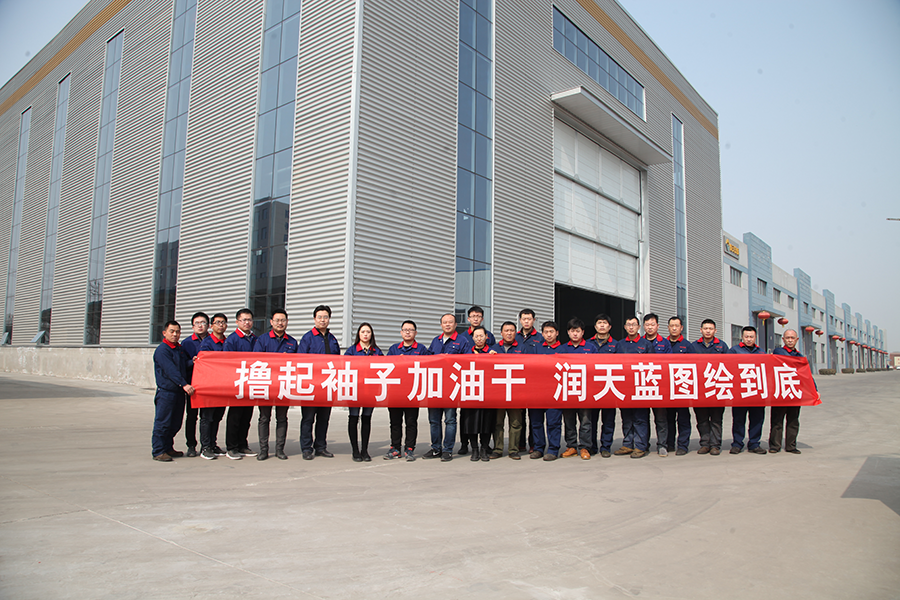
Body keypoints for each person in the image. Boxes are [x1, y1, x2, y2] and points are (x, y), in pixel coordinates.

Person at [297, 305, 340, 460]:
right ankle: (306, 448)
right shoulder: (307, 338)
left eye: (326, 317)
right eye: (320, 317)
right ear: (314, 319)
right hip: (311, 386)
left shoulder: (332, 339)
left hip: (327, 386)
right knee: (308, 419)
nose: (323, 320)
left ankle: (320, 447)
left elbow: (338, 362)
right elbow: (300, 361)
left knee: (323, 419)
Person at [254, 309, 297, 461]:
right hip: (265, 384)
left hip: (283, 385)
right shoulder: (262, 340)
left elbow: (297, 364)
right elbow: (256, 361)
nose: (280, 323)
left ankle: (280, 450)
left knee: (282, 418)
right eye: (277, 320)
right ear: (271, 322)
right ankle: (263, 450)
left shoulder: (292, 342)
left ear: (287, 322)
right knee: (264, 418)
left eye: (283, 320)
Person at [426, 313, 470, 460]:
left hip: (451, 387)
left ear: (455, 324)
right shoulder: (436, 341)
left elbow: (468, 362)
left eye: (450, 322)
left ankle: (447, 449)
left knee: (450, 419)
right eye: (445, 322)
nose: (447, 324)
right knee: (434, 420)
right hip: (435, 386)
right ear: (441, 325)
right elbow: (428, 360)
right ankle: (435, 448)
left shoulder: (462, 341)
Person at [386, 320, 429, 461]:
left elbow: (428, 366)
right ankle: (395, 448)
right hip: (395, 392)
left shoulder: (421, 349)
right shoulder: (394, 349)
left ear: (416, 333)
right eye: (405, 330)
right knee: (395, 422)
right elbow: (386, 367)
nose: (408, 332)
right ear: (401, 332)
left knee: (411, 422)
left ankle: (410, 448)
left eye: (411, 330)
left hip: (412, 391)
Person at [151, 321, 194, 461]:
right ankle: (158, 451)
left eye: (177, 332)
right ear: (164, 333)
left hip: (178, 393)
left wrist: (194, 361)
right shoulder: (162, 350)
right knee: (163, 422)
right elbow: (171, 370)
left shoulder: (178, 349)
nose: (175, 334)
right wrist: (184, 384)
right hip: (166, 393)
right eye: (172, 331)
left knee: (175, 423)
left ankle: (168, 448)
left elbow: (183, 366)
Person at [615, 316, 654, 459]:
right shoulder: (619, 345)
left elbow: (653, 366)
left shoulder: (646, 344)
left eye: (634, 324)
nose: (631, 327)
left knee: (640, 418)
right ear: (625, 327)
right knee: (627, 418)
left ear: (639, 327)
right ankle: (627, 444)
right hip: (624, 387)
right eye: (628, 325)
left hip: (640, 387)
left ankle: (640, 446)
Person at [344, 322, 383, 462]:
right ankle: (355, 450)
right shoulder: (351, 351)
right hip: (354, 389)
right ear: (358, 334)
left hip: (370, 390)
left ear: (372, 334)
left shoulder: (377, 352)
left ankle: (365, 450)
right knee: (353, 418)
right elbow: (344, 367)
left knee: (366, 418)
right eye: (363, 332)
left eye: (368, 332)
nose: (365, 334)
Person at [223, 308, 258, 460]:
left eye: (249, 320)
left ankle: (243, 444)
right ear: (237, 322)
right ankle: (232, 447)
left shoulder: (255, 339)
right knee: (235, 417)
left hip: (251, 384)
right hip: (237, 384)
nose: (247, 322)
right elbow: (227, 362)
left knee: (246, 417)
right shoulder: (232, 340)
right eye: (244, 320)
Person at [728, 325, 767, 455]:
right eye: (746, 337)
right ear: (742, 337)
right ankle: (737, 444)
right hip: (740, 391)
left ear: (755, 337)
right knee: (739, 419)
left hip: (757, 391)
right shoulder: (734, 351)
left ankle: (754, 444)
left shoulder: (761, 352)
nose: (749, 339)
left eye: (751, 337)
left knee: (757, 419)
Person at [692, 318, 729, 455]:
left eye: (711, 329)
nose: (708, 331)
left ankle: (715, 445)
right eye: (705, 328)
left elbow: (729, 365)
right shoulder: (694, 346)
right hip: (700, 389)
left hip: (717, 388)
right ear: (701, 330)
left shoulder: (722, 346)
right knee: (701, 419)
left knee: (716, 419)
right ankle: (705, 444)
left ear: (715, 330)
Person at [490, 321, 526, 460]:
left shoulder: (522, 348)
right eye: (506, 330)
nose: (509, 333)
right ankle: (498, 449)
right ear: (501, 333)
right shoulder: (494, 348)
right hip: (498, 392)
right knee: (497, 422)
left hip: (516, 391)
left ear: (515, 333)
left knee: (516, 422)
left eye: (512, 330)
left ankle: (513, 450)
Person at [561, 317, 596, 460]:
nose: (575, 334)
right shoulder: (563, 349)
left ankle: (585, 447)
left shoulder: (591, 348)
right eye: (572, 331)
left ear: (583, 332)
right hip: (568, 390)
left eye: (577, 331)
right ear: (568, 332)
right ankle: (571, 446)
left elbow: (596, 368)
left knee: (585, 421)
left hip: (585, 390)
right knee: (569, 421)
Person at [530, 321, 564, 461]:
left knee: (553, 423)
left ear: (557, 333)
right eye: (546, 332)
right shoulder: (536, 348)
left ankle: (553, 449)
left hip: (555, 392)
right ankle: (538, 448)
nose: (549, 335)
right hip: (537, 392)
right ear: (542, 334)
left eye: (551, 332)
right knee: (536, 422)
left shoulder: (563, 350)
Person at [461, 326, 496, 461]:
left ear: (487, 337)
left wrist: (494, 358)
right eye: (476, 336)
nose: (479, 339)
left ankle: (484, 449)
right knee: (471, 422)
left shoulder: (493, 352)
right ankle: (474, 449)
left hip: (488, 392)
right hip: (471, 391)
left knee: (487, 422)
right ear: (472, 338)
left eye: (481, 336)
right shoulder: (467, 353)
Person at [198, 313, 228, 459]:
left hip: (223, 386)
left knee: (217, 417)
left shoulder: (227, 342)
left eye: (223, 322)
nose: (220, 325)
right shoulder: (207, 343)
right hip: (209, 386)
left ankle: (213, 444)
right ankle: (205, 447)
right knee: (207, 417)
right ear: (211, 326)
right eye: (217, 322)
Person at [179, 311, 209, 457]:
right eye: (197, 323)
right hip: (193, 386)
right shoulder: (186, 343)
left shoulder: (213, 341)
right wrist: (192, 362)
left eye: (203, 323)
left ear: (208, 325)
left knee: (207, 418)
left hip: (209, 385)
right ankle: (191, 445)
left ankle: (207, 445)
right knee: (192, 417)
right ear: (192, 326)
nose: (200, 326)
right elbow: (181, 365)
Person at [769, 329, 804, 454]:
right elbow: (788, 360)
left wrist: (814, 390)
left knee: (793, 420)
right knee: (777, 420)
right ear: (783, 339)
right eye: (787, 338)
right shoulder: (779, 351)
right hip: (780, 391)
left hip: (794, 391)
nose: (790, 340)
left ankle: (791, 446)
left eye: (792, 338)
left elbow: (807, 375)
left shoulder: (800, 356)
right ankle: (775, 446)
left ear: (797, 340)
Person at [643, 313, 671, 456]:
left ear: (658, 326)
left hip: (659, 386)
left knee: (660, 418)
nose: (650, 327)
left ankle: (662, 445)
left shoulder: (664, 343)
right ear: (643, 326)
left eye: (652, 324)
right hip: (642, 385)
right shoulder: (640, 342)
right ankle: (644, 445)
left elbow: (669, 363)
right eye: (647, 325)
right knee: (643, 418)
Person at [588, 313, 617, 458]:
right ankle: (592, 446)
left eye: (605, 323)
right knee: (591, 420)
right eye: (599, 323)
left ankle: (606, 447)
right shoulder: (587, 344)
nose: (602, 325)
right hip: (592, 388)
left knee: (608, 420)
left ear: (609, 326)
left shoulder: (616, 345)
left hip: (609, 387)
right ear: (595, 326)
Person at [666, 316, 694, 455]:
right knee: (668, 418)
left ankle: (683, 445)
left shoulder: (688, 346)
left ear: (681, 328)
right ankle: (669, 444)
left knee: (683, 418)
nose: (674, 328)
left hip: (682, 387)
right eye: (672, 326)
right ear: (668, 328)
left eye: (677, 326)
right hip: (666, 387)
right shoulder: (663, 343)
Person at [515, 308, 541, 453]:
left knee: (534, 416)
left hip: (534, 381)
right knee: (520, 415)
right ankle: (520, 443)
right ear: (520, 320)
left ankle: (533, 444)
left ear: (534, 321)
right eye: (524, 319)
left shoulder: (540, 338)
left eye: (529, 319)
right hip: (518, 381)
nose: (526, 321)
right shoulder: (514, 336)